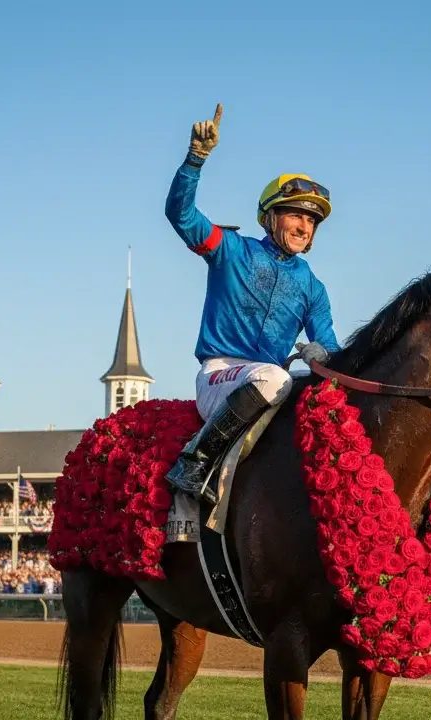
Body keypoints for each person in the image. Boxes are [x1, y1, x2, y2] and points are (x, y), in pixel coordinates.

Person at [163, 103, 342, 502]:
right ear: (269, 218)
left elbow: (330, 346)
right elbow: (181, 215)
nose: (304, 226)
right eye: (295, 215)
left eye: (311, 220)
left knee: (311, 391)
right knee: (276, 378)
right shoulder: (231, 250)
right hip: (220, 376)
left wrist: (323, 353)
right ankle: (193, 463)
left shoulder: (313, 288)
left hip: (268, 382)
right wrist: (195, 160)